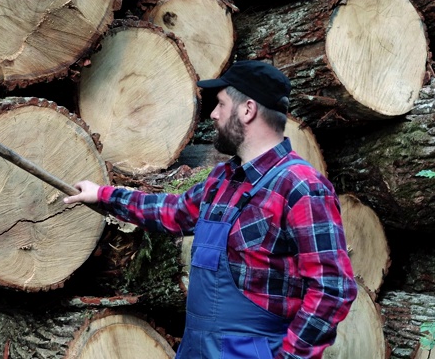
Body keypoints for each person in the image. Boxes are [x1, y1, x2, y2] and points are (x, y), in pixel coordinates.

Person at [64, 60, 357, 359]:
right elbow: (173, 211)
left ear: (247, 110)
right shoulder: (222, 180)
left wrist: (291, 356)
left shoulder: (301, 187)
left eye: (220, 104)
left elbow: (332, 288)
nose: (214, 115)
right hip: (198, 349)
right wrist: (103, 194)